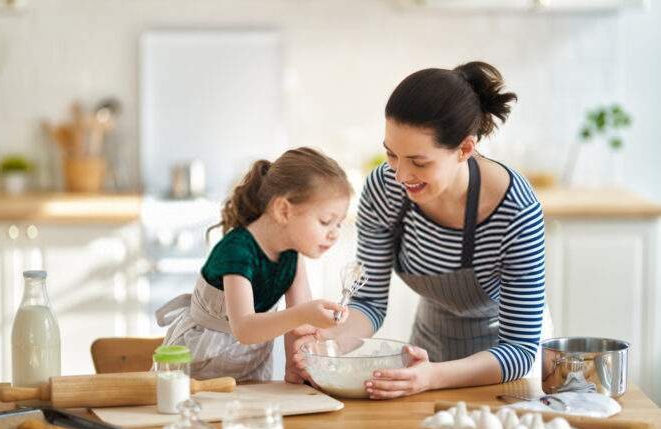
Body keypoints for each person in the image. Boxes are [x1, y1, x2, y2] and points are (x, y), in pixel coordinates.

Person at [289, 61, 550, 397]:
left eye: (419, 162)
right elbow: (369, 301)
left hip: (501, 367)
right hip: (429, 347)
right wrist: (327, 343)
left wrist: (433, 377)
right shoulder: (384, 190)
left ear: (465, 149)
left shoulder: (516, 211)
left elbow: (520, 348)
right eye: (392, 155)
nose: (400, 175)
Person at [157, 147, 352, 381]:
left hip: (250, 366)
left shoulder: (292, 255)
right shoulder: (237, 250)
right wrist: (304, 314)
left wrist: (295, 366)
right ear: (283, 210)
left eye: (338, 224)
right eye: (325, 222)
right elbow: (245, 329)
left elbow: (298, 326)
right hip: (199, 365)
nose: (334, 234)